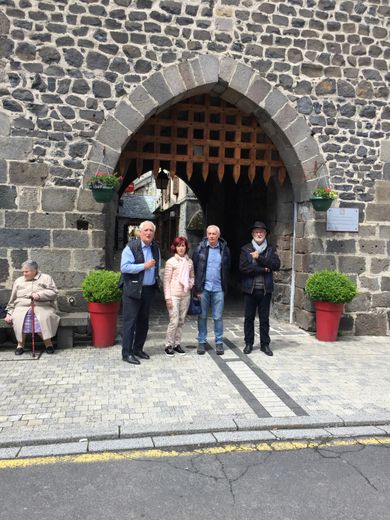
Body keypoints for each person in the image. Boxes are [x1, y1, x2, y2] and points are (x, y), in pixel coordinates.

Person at [120, 220, 161, 365]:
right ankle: (127, 353)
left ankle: (138, 349)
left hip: (148, 290)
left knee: (143, 322)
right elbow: (124, 267)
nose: (149, 233)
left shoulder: (155, 248)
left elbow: (157, 266)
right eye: (146, 230)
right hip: (133, 290)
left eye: (151, 231)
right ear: (140, 232)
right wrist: (144, 266)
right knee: (130, 322)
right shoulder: (131, 247)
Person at [239, 221, 281, 356]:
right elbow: (244, 268)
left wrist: (260, 257)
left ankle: (265, 345)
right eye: (256, 232)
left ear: (265, 234)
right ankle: (248, 343)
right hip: (249, 289)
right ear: (252, 234)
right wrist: (263, 269)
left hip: (265, 290)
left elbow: (276, 265)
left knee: (264, 319)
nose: (259, 234)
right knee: (249, 318)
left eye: (261, 232)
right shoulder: (245, 249)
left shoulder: (270, 249)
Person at [5, 260, 60, 355]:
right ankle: (20, 345)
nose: (24, 274)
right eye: (23, 272)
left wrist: (39, 295)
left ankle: (48, 344)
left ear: (35, 270)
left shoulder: (46, 278)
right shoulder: (18, 281)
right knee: (18, 319)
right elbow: (12, 300)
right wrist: (9, 313)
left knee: (43, 318)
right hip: (21, 308)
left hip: (42, 307)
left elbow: (54, 293)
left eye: (26, 271)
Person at [192, 225, 231, 355]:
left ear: (218, 235)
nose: (211, 236)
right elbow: (195, 267)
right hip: (203, 288)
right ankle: (201, 342)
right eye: (209, 233)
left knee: (218, 317)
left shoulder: (224, 249)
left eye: (214, 234)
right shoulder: (200, 249)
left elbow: (227, 268)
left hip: (219, 288)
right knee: (202, 316)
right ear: (206, 235)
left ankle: (219, 342)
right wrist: (196, 288)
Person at [163, 236, 195, 357]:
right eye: (178, 246)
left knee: (181, 321)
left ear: (186, 247)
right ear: (175, 247)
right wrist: (167, 298)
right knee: (174, 321)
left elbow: (192, 276)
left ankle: (177, 344)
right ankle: (168, 345)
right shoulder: (170, 262)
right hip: (173, 295)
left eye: (183, 245)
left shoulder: (189, 261)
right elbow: (166, 281)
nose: (181, 248)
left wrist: (190, 284)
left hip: (185, 294)